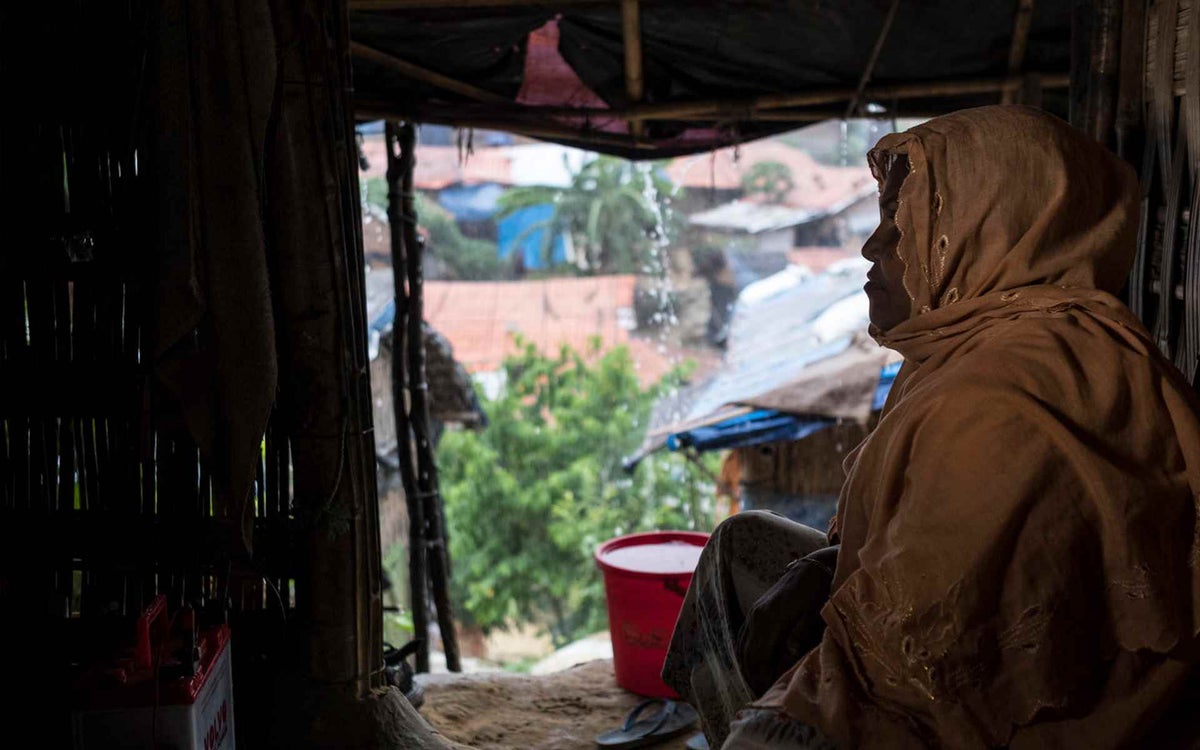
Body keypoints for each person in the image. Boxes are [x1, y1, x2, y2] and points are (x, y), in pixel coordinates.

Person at [663, 105, 1200, 749]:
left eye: (903, 222)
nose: (872, 245)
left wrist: (793, 697)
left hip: (1044, 719)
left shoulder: (1002, 400)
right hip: (950, 647)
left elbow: (913, 666)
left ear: (989, 233)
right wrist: (824, 571)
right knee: (741, 546)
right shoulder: (983, 342)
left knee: (770, 736)